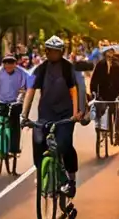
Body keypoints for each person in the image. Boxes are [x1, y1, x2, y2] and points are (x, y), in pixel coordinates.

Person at [22, 36, 81, 197]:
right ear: (46, 52)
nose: (53, 54)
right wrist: (24, 115)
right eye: (50, 51)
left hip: (65, 113)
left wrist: (75, 113)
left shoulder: (68, 68)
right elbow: (30, 91)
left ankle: (71, 180)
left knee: (64, 144)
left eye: (56, 51)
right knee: (39, 142)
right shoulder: (40, 69)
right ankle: (43, 170)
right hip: (46, 114)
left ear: (61, 52)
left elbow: (74, 91)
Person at [0, 53, 30, 156]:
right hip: (1, 101)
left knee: (15, 123)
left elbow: (31, 82)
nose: (8, 65)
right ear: (3, 64)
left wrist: (24, 93)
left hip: (15, 102)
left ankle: (14, 148)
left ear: (15, 64)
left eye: (11, 63)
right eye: (6, 63)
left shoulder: (22, 73)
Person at [90, 48, 119, 145]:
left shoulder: (117, 65)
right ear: (104, 54)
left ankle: (117, 136)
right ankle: (100, 133)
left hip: (113, 95)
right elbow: (94, 80)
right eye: (108, 52)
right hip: (102, 95)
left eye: (111, 52)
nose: (110, 54)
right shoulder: (100, 65)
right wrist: (93, 92)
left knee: (117, 115)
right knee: (99, 114)